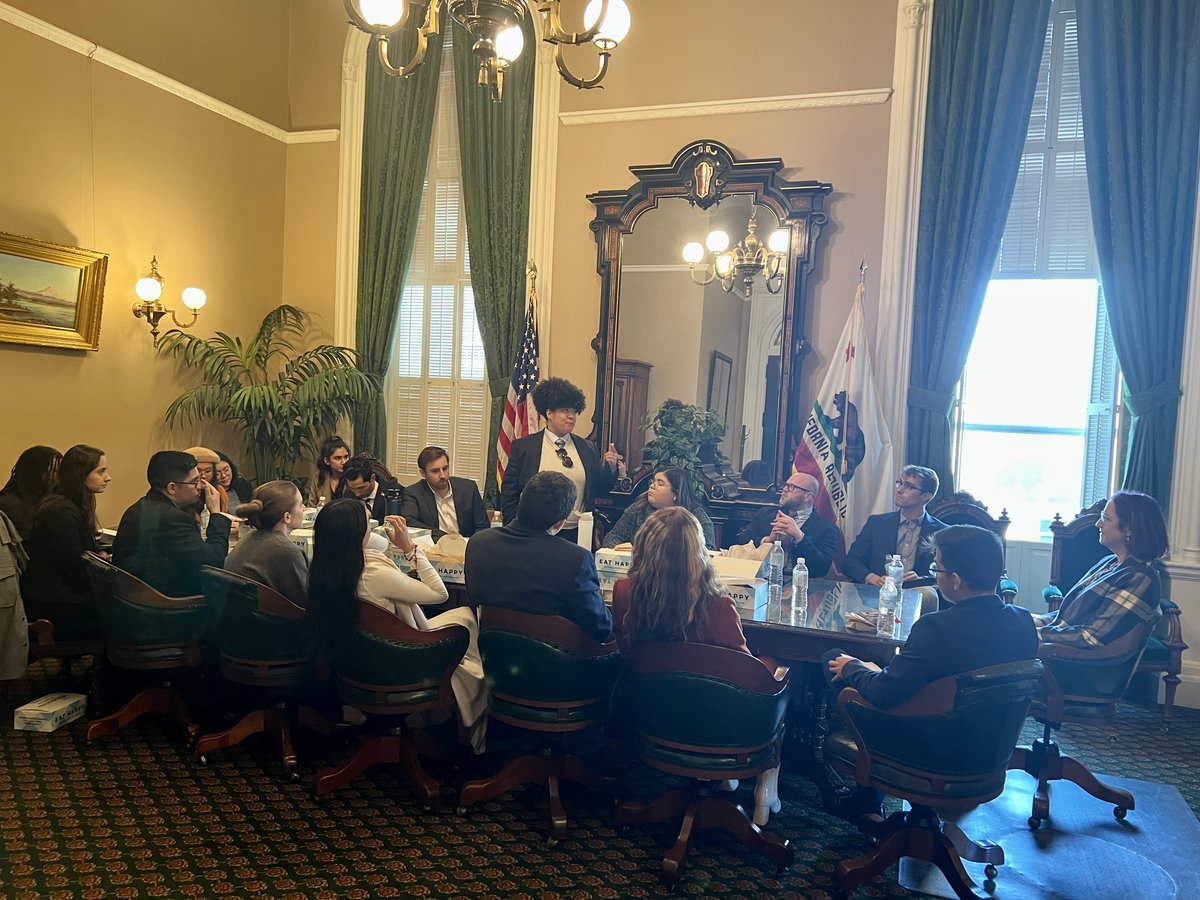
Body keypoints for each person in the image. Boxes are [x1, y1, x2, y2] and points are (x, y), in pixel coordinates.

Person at [310, 498, 487, 751]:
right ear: (358, 533)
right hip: (397, 664)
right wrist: (409, 548)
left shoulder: (326, 565)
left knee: (464, 618)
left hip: (355, 661)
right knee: (466, 624)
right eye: (368, 523)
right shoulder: (374, 574)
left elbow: (376, 546)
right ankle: (458, 730)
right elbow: (439, 593)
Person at [827, 525, 1037, 710]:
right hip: (994, 740)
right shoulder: (1024, 621)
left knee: (834, 656)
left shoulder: (935, 628)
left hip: (925, 736)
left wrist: (851, 667)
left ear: (955, 580)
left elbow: (883, 693)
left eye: (936, 568)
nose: (934, 575)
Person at [466, 471, 613, 644]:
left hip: (491, 659)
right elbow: (602, 629)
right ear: (560, 523)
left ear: (521, 500)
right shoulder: (576, 560)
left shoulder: (478, 543)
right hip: (561, 663)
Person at [612, 506, 753, 657]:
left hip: (642, 678)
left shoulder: (623, 590)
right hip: (700, 680)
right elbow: (742, 669)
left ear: (642, 547)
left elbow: (624, 650)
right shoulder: (720, 607)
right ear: (699, 553)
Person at [1036, 490, 1168, 649]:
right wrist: (1039, 622)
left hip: (1073, 664)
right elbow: (1069, 616)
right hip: (1058, 645)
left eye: (1106, 518)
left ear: (1129, 529)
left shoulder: (1139, 578)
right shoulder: (1109, 562)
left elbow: (1089, 637)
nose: (1098, 523)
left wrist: (1032, 633)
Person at [499, 377, 622, 544]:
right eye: (565, 411)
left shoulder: (588, 448)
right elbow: (509, 493)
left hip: (577, 533)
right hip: (535, 533)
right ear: (549, 413)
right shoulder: (525, 447)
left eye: (574, 412)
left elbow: (600, 489)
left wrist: (611, 467)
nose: (571, 416)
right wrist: (513, 530)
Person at [21, 445, 111, 640]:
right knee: (121, 609)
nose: (108, 477)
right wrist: (100, 564)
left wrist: (98, 557)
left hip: (60, 595)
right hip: (54, 602)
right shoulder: (60, 512)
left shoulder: (71, 507)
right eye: (101, 471)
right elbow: (75, 572)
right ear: (81, 475)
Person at [112, 450, 231, 597]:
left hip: (134, 597)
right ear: (172, 488)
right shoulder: (172, 518)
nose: (200, 486)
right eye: (195, 482)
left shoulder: (140, 507)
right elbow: (214, 561)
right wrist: (216, 513)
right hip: (165, 606)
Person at [841, 465, 948, 585]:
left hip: (921, 597)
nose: (899, 490)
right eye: (900, 483)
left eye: (909, 486)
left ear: (926, 496)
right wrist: (872, 578)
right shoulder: (876, 523)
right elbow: (850, 562)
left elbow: (948, 574)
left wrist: (922, 579)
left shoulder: (942, 533)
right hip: (877, 596)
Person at [736, 471, 841, 578]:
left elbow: (821, 568)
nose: (784, 489)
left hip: (802, 585)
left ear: (808, 496)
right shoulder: (765, 514)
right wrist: (768, 540)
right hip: (761, 579)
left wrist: (800, 537)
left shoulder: (828, 528)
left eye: (791, 487)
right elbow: (741, 542)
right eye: (785, 485)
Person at [225, 480, 310, 609]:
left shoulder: (248, 537)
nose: (304, 508)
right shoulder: (285, 551)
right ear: (287, 517)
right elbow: (308, 601)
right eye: (300, 505)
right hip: (273, 625)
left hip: (240, 623)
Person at [602, 467, 716, 550]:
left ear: (676, 493)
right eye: (653, 482)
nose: (652, 486)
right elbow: (612, 537)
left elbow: (708, 550)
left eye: (660, 483)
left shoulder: (695, 514)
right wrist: (627, 550)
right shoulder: (638, 508)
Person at [401, 446, 489, 540]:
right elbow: (409, 522)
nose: (442, 475)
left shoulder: (468, 488)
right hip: (434, 548)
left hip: (467, 547)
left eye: (445, 468)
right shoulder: (413, 493)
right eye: (435, 471)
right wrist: (447, 539)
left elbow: (483, 526)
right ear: (423, 473)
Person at [0, 445, 62, 539]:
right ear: (37, 471)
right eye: (54, 471)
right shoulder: (10, 503)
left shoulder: (54, 497)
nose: (59, 476)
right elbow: (34, 539)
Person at [342, 455, 405, 523]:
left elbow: (399, 520)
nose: (357, 493)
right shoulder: (348, 494)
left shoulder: (394, 492)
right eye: (352, 488)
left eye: (361, 487)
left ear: (372, 478)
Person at [184, 446, 229, 513]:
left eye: (208, 471)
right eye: (198, 471)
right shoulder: (182, 493)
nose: (203, 476)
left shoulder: (219, 491)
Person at [309, 435, 351, 505]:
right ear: (327, 460)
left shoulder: (353, 477)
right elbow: (311, 507)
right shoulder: (318, 478)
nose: (343, 462)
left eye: (346, 457)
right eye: (338, 458)